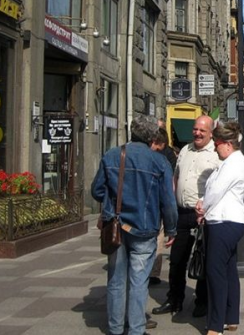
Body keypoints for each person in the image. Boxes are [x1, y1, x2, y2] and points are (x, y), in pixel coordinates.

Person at [91, 115, 178, 335]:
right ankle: (137, 330)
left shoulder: (112, 155)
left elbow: (97, 190)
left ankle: (115, 328)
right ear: (151, 136)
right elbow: (168, 200)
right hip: (145, 229)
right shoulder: (159, 161)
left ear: (131, 132)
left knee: (116, 280)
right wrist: (171, 228)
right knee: (139, 282)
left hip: (116, 226)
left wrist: (112, 203)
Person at [152, 115, 219, 318]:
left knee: (203, 259)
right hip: (180, 213)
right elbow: (176, 177)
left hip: (202, 216)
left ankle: (202, 302)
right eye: (195, 129)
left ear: (211, 133)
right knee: (177, 260)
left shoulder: (216, 154)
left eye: (202, 131)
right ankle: (175, 300)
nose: (197, 133)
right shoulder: (185, 151)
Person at [196, 121, 244, 335]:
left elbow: (216, 191)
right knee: (228, 271)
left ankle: (215, 326)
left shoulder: (233, 163)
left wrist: (202, 209)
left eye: (216, 143)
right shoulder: (231, 161)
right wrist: (202, 200)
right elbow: (214, 191)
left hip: (223, 222)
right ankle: (231, 317)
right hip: (227, 221)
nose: (215, 148)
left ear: (227, 144)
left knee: (214, 273)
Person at [149, 126, 176, 286]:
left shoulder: (166, 156)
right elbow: (169, 186)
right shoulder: (168, 157)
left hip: (149, 205)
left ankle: (151, 272)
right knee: (157, 236)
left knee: (157, 237)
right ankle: (152, 273)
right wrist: (172, 228)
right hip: (157, 202)